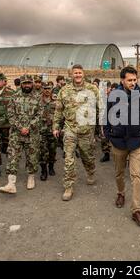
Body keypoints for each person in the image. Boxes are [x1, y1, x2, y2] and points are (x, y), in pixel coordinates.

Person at [104, 66, 140, 226]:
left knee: (136, 175)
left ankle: (136, 210)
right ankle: (121, 193)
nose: (133, 83)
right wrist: (109, 135)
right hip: (118, 141)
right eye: (129, 80)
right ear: (122, 80)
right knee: (119, 173)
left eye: (135, 80)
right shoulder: (114, 96)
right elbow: (107, 117)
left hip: (138, 141)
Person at [53, 65, 99, 201]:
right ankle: (68, 186)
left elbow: (101, 107)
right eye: (75, 73)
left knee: (87, 156)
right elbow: (58, 110)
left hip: (86, 130)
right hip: (70, 129)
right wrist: (55, 126)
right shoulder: (64, 90)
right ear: (71, 75)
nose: (78, 75)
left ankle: (90, 172)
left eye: (80, 73)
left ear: (83, 74)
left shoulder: (92, 89)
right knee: (68, 158)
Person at [0, 75, 41, 194]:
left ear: (32, 84)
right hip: (16, 134)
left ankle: (31, 177)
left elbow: (39, 115)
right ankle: (11, 183)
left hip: (32, 133)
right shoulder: (14, 97)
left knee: (31, 156)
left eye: (29, 83)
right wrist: (20, 127)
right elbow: (10, 114)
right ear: (21, 84)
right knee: (12, 156)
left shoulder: (38, 97)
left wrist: (28, 127)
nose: (27, 85)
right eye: (24, 83)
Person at [39, 82, 57, 180]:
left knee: (52, 150)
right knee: (42, 152)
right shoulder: (38, 101)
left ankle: (51, 167)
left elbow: (60, 114)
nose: (47, 90)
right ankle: (43, 171)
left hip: (53, 131)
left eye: (48, 88)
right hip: (41, 131)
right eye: (45, 88)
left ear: (51, 89)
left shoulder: (55, 100)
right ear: (42, 89)